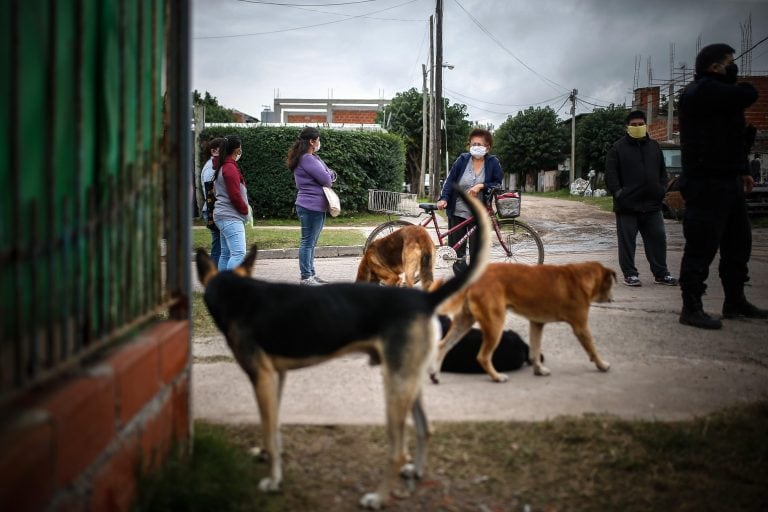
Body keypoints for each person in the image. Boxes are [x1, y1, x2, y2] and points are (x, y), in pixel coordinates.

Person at [677, 43, 767, 329]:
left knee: (738, 244)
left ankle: (735, 300)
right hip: (706, 181)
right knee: (701, 247)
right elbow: (748, 94)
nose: (734, 66)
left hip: (729, 179)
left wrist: (743, 170)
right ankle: (691, 306)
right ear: (715, 66)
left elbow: (733, 137)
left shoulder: (720, 98)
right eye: (730, 62)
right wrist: (738, 84)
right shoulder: (701, 91)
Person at [605, 110, 678, 287]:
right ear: (627, 127)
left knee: (658, 240)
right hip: (627, 207)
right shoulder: (618, 148)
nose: (637, 127)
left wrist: (661, 190)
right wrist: (619, 194)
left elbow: (662, 172)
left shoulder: (654, 147)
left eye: (640, 124)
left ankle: (661, 273)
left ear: (645, 125)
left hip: (652, 205)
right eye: (633, 125)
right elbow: (611, 175)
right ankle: (630, 274)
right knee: (627, 244)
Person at [437, 128, 503, 275]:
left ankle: (474, 281)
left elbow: (498, 184)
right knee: (457, 252)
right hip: (457, 210)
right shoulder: (462, 160)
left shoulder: (493, 163)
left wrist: (481, 186)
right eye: (473, 144)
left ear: (488, 147)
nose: (475, 147)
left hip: (478, 213)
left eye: (479, 144)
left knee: (476, 251)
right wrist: (443, 198)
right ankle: (460, 281)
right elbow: (450, 181)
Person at [287, 126, 336, 285]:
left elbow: (328, 174)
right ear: (312, 141)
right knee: (307, 242)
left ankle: (311, 275)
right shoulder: (307, 159)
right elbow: (328, 179)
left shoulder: (310, 157)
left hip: (315, 206)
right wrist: (329, 174)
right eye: (318, 139)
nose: (319, 142)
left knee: (311, 242)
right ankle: (306, 277)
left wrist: (328, 174)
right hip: (310, 206)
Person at [213, 135, 250, 271]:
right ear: (237, 150)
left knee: (226, 254)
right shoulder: (230, 168)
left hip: (223, 215)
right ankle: (230, 287)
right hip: (230, 216)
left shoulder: (223, 166)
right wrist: (245, 210)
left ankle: (222, 288)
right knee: (239, 254)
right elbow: (234, 195)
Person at [200, 137, 225, 266]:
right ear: (214, 151)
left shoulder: (213, 165)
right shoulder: (211, 167)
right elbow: (211, 192)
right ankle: (215, 274)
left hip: (213, 209)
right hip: (212, 210)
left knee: (219, 246)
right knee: (218, 248)